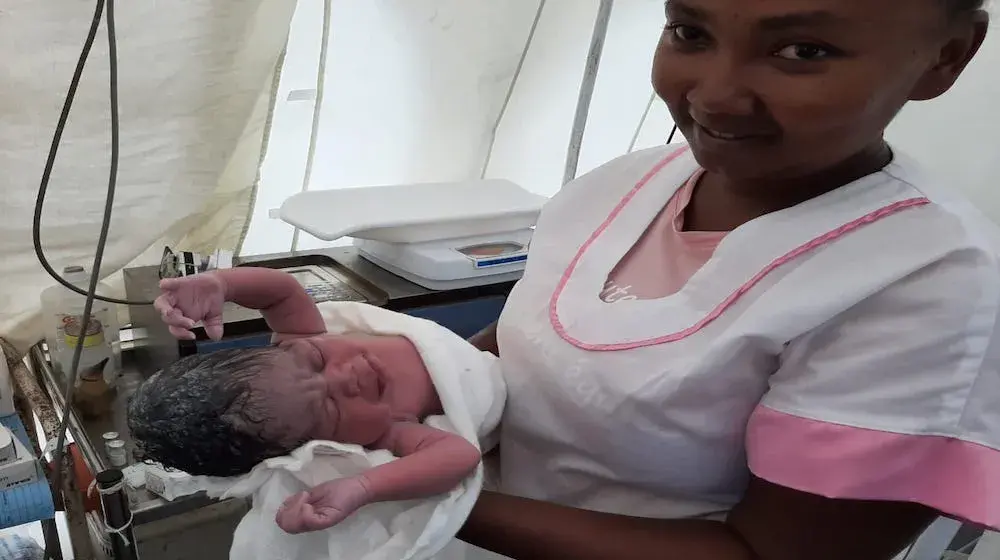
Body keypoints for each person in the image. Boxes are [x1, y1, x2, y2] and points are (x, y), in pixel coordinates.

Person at [447, 1, 998, 559]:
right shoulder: (629, 183)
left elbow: (768, 553)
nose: (715, 96)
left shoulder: (930, 281)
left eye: (803, 52)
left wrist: (435, 501)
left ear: (946, 57)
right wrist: (405, 379)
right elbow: (535, 340)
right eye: (690, 33)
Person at [129, 268, 482, 533]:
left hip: (476, 349)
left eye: (317, 360)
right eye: (329, 408)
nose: (346, 378)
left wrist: (222, 283)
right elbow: (460, 455)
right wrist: (363, 487)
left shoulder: (301, 335)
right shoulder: (389, 430)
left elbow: (282, 291)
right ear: (318, 443)